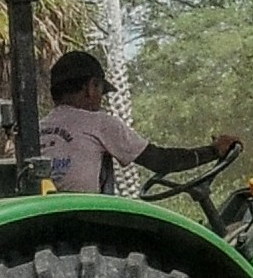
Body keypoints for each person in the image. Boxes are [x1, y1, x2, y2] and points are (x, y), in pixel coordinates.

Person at [40, 50, 239, 197]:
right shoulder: (100, 123)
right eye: (101, 90)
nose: (100, 98)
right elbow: (162, 161)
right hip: (86, 220)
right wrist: (213, 151)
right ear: (91, 88)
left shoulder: (37, 130)